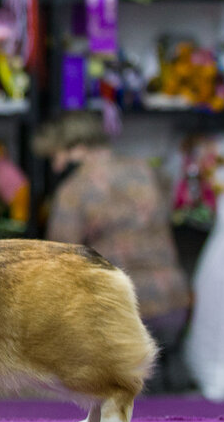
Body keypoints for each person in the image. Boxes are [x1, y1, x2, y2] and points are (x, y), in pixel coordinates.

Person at [33, 112, 192, 392]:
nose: (55, 167)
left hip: (123, 311)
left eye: (55, 155)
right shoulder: (145, 170)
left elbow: (56, 259)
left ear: (75, 147)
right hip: (175, 303)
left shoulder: (73, 191)